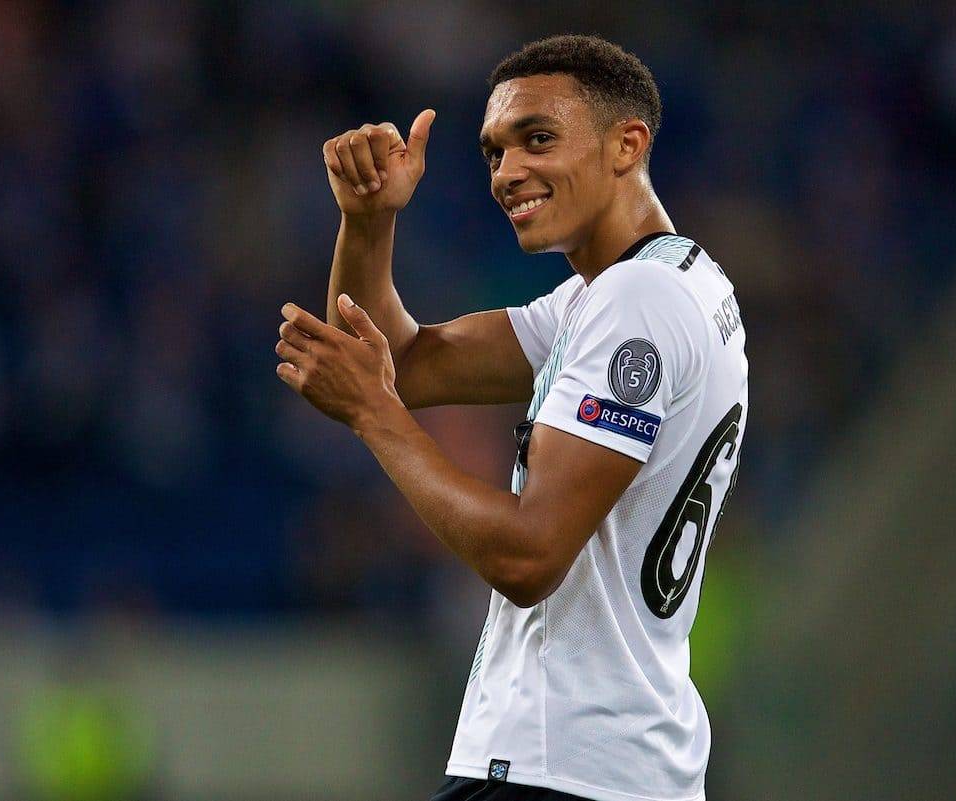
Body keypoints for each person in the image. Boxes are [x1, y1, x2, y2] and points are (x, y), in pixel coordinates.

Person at [275, 34, 748, 801]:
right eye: (494, 151)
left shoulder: (635, 306)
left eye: (538, 139)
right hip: (612, 766)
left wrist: (373, 413)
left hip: (562, 765)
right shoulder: (659, 286)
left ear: (628, 144)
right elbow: (405, 358)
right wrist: (367, 222)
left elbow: (529, 557)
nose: (509, 172)